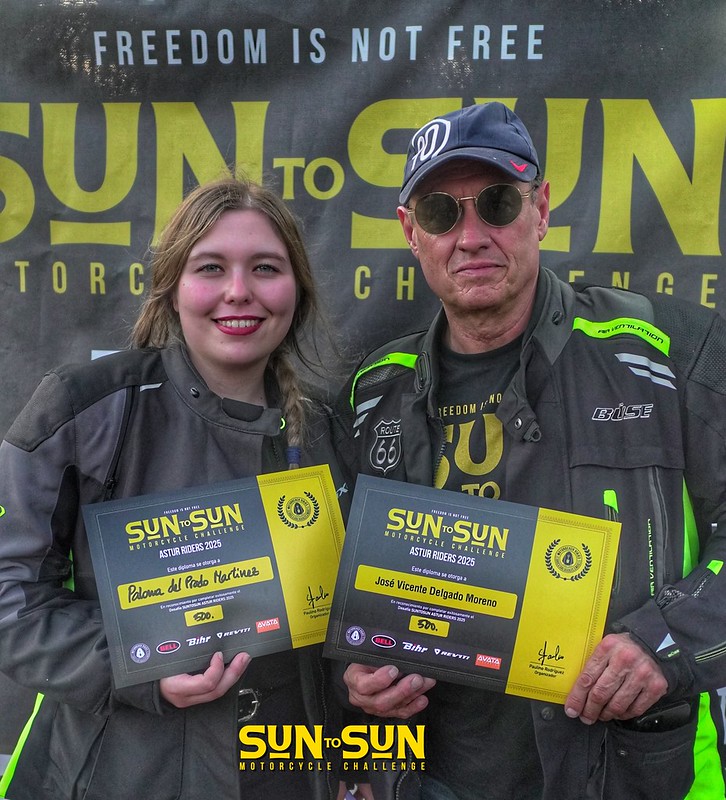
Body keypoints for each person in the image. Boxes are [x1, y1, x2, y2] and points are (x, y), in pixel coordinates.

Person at [336, 102, 726, 800]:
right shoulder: (374, 392)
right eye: (440, 213)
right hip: (432, 779)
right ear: (411, 232)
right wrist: (354, 678)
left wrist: (667, 638)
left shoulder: (667, 351)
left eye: (497, 203)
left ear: (540, 208)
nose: (471, 237)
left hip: (631, 771)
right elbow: (330, 592)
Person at [0, 175, 352, 800]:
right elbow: (9, 599)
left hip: (287, 777)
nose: (238, 291)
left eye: (265, 268)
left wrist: (370, 766)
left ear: (297, 288)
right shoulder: (85, 408)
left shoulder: (330, 434)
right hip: (119, 777)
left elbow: (357, 637)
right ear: (171, 287)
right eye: (210, 268)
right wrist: (138, 668)